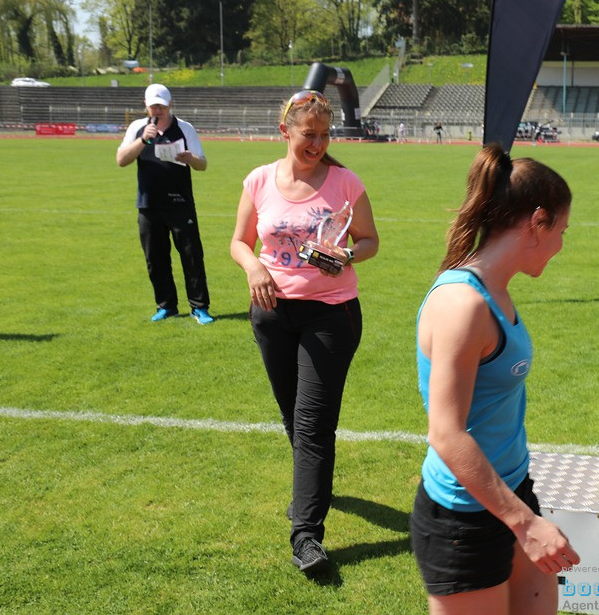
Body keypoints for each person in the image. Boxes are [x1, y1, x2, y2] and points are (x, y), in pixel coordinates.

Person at [410, 144, 579, 614]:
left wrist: (522, 511)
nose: (562, 244)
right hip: (463, 518)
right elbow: (446, 433)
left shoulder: (496, 290)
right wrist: (526, 525)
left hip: (510, 489)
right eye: (561, 230)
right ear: (537, 221)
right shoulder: (463, 304)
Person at [230, 89, 379, 575]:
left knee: (313, 424)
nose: (316, 144)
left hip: (331, 315)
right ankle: (312, 492)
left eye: (324, 135)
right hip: (272, 313)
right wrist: (253, 267)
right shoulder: (258, 180)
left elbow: (370, 240)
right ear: (285, 132)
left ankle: (306, 536)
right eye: (307, 135)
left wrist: (349, 256)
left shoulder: (345, 182)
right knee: (295, 419)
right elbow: (238, 241)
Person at [116, 83, 213, 324]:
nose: (157, 111)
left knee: (191, 256)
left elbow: (203, 164)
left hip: (180, 203)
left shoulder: (184, 128)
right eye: (153, 106)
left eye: (161, 106)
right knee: (155, 258)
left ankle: (199, 307)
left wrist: (191, 158)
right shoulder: (138, 128)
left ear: (170, 105)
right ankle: (166, 306)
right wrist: (143, 141)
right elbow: (121, 160)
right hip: (149, 205)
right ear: (146, 106)